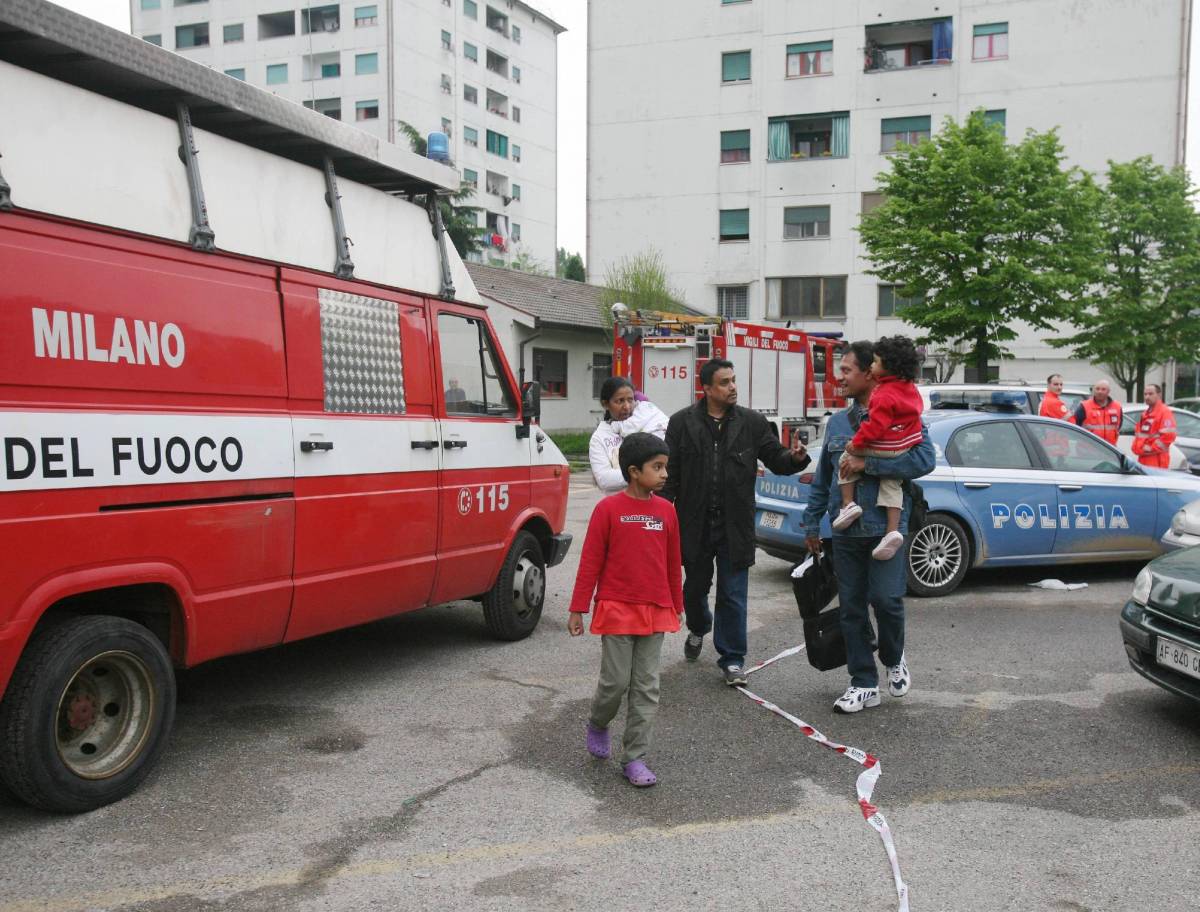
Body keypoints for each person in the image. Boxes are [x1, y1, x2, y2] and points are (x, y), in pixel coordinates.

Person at [802, 341, 934, 715]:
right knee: (852, 608)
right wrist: (812, 521)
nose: (839, 377)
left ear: (869, 373)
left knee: (888, 601)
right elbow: (824, 476)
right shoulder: (839, 422)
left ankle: (893, 657)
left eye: (846, 370)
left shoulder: (900, 412)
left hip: (886, 528)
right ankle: (863, 682)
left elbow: (924, 460)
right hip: (845, 531)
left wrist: (869, 466)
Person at [662, 358, 810, 686]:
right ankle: (699, 627)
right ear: (707, 388)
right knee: (694, 590)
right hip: (695, 525)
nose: (733, 387)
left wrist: (795, 458)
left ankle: (732, 660)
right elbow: (669, 478)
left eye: (733, 380)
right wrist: (658, 518)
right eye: (725, 382)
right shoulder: (681, 424)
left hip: (735, 526)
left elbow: (777, 458)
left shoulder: (752, 423)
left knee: (733, 594)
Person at [568, 432, 682, 788]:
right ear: (634, 471)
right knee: (615, 683)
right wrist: (577, 608)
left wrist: (676, 605)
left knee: (647, 687)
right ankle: (598, 723)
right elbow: (590, 562)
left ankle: (634, 757)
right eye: (657, 467)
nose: (664, 474)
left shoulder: (666, 511)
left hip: (655, 610)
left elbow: (672, 561)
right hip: (616, 608)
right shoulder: (608, 509)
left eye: (666, 467)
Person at [833, 335, 924, 561]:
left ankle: (847, 504)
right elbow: (915, 412)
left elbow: (875, 426)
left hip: (885, 447)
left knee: (846, 457)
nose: (840, 377)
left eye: (875, 362)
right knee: (892, 482)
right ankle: (892, 532)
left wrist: (858, 448)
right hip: (902, 445)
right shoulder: (909, 389)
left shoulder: (883, 395)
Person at [588, 376, 669, 494]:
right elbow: (604, 480)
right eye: (620, 401)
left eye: (630, 400)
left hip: (654, 502)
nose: (626, 406)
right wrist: (643, 472)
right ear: (605, 404)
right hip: (621, 508)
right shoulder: (599, 438)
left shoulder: (647, 420)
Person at [1131, 383, 1177, 468]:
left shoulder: (1164, 412)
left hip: (1157, 461)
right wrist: (1137, 448)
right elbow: (1139, 436)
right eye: (1145, 394)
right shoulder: (1145, 414)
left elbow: (1168, 437)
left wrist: (1148, 449)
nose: (1147, 397)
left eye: (1151, 394)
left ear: (1159, 395)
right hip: (1144, 459)